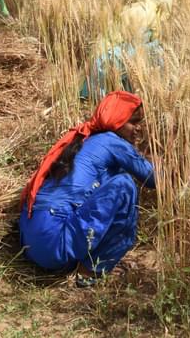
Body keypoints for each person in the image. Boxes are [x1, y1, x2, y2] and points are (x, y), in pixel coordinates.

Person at [19, 91, 155, 287]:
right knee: (124, 184)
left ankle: (77, 262)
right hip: (54, 242)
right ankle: (91, 271)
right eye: (133, 122)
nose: (139, 128)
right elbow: (153, 179)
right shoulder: (111, 141)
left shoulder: (84, 139)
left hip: (31, 246)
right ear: (116, 121)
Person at [80, 0, 173, 101]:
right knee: (154, 51)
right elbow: (136, 45)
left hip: (103, 53)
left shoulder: (140, 8)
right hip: (107, 59)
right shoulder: (149, 14)